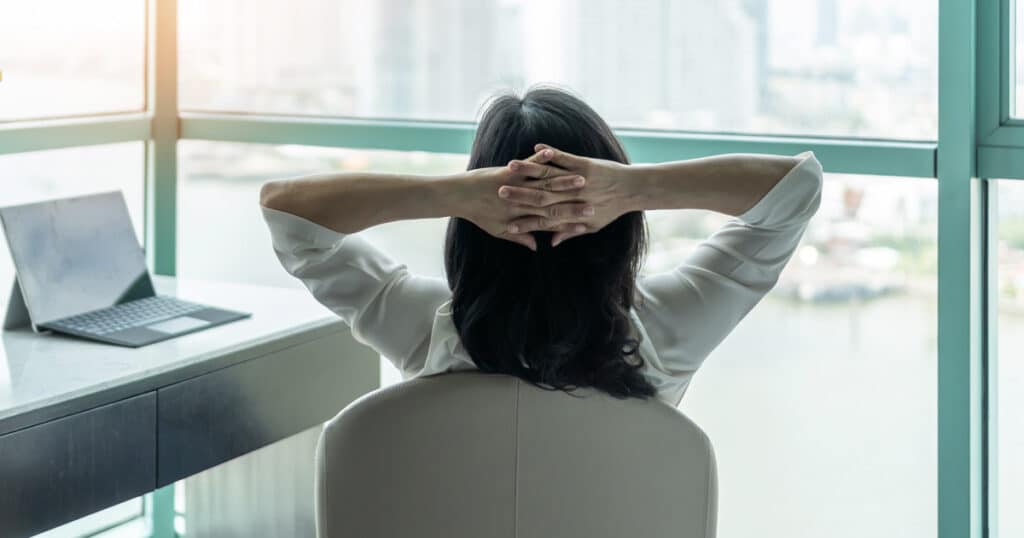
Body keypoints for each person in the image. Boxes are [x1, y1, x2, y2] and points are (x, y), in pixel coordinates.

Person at [259, 86, 823, 406]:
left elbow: (289, 213)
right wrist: (633, 189)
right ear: (617, 226)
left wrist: (452, 194)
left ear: (473, 229)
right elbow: (795, 190)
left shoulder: (422, 327)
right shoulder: (673, 327)